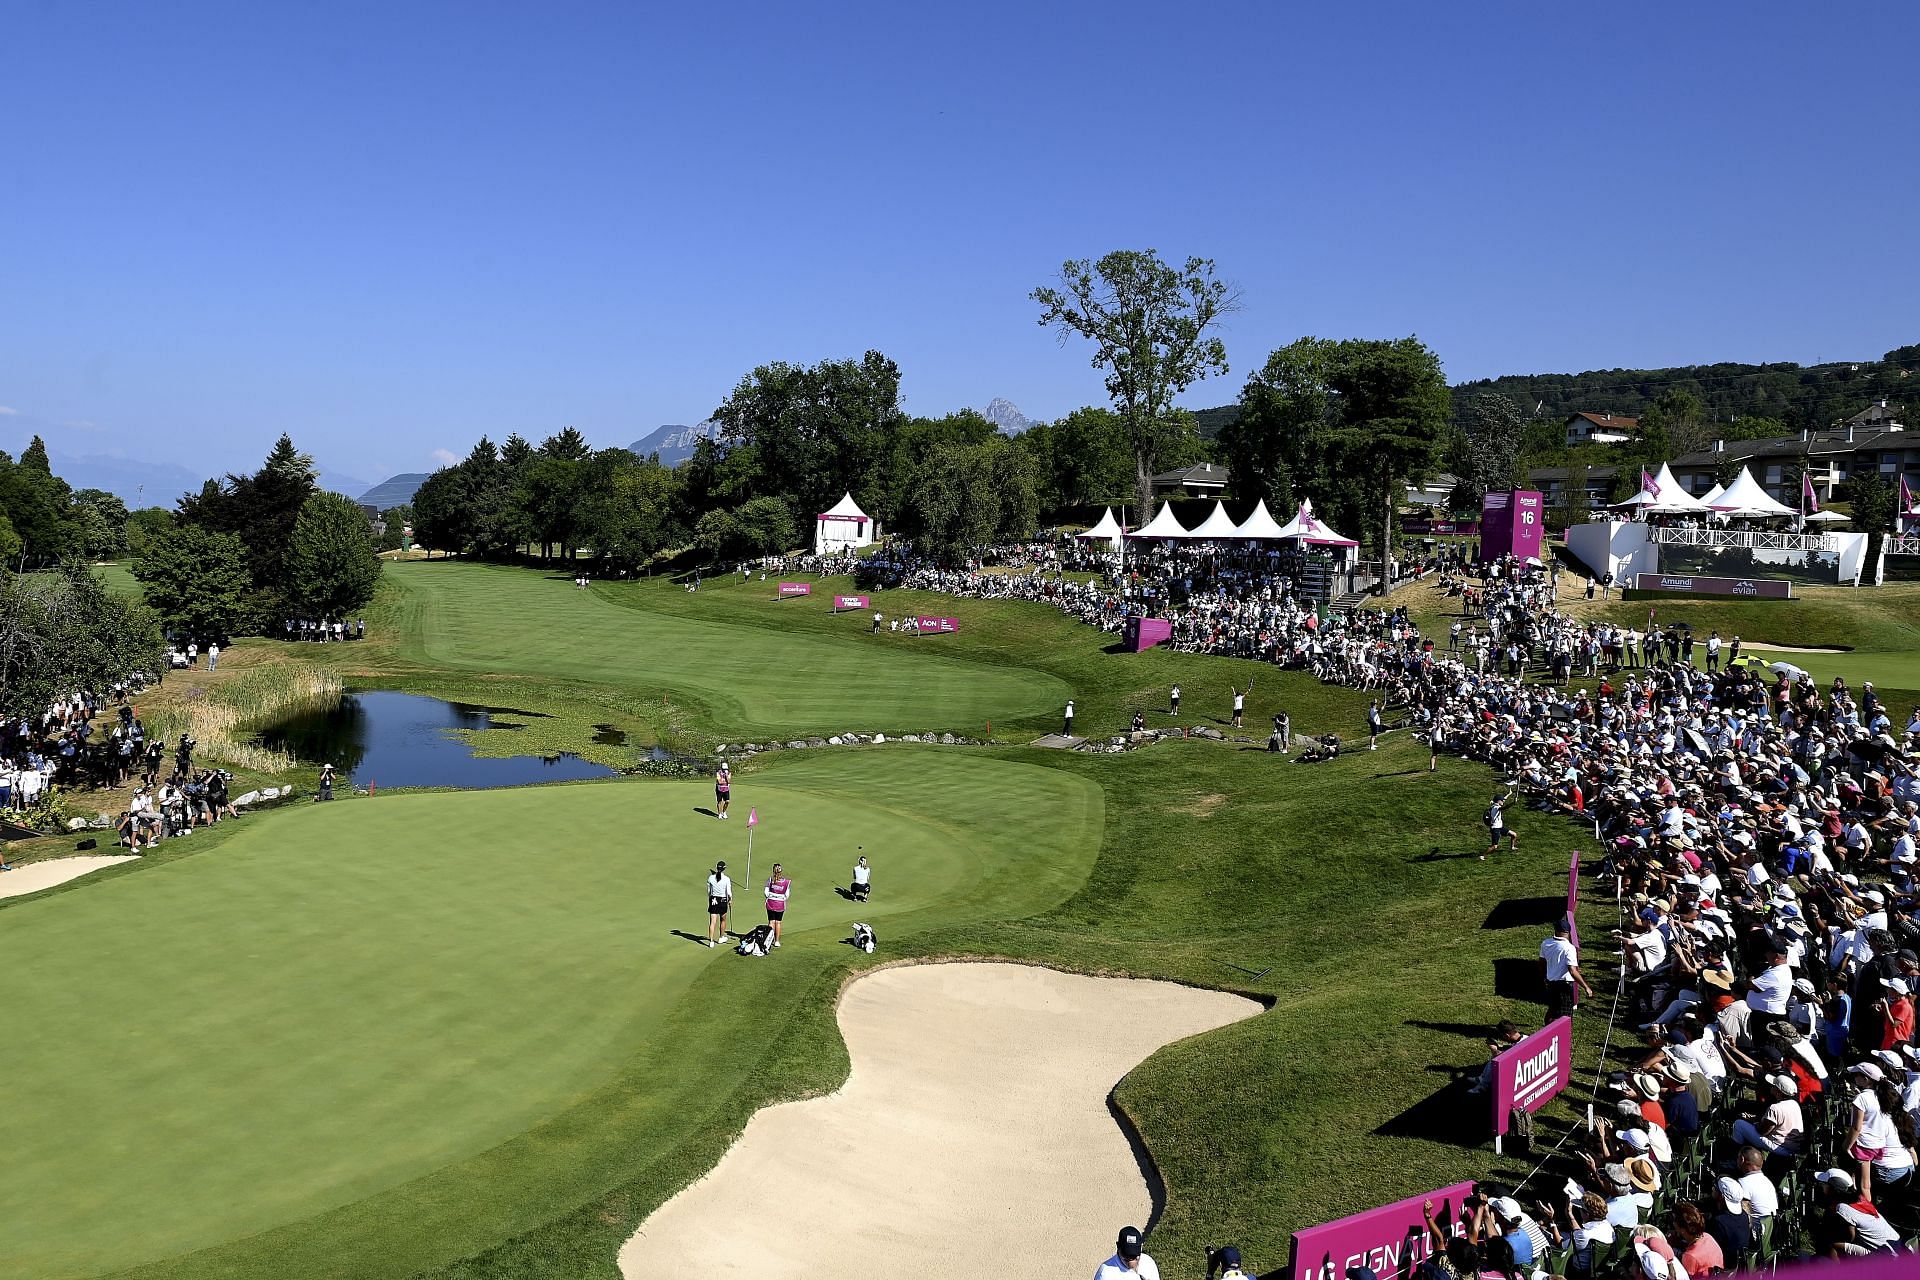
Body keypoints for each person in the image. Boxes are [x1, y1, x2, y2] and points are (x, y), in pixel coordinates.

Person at [1541, 918, 1594, 1020]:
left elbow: (1541, 963)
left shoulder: (1545, 943)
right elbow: (1572, 970)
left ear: (1556, 930)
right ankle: (1563, 1034)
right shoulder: (1569, 948)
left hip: (1551, 983)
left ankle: (1548, 1031)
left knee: (1552, 1009)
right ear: (1568, 932)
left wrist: (1545, 978)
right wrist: (1586, 987)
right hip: (1564, 986)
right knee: (1565, 1015)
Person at [705, 860, 732, 948]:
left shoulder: (710, 878)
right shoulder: (726, 879)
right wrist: (730, 900)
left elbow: (709, 891)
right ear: (724, 869)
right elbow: (728, 892)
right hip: (722, 900)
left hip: (713, 900)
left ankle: (711, 941)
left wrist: (710, 898)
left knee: (712, 921)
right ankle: (721, 937)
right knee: (723, 919)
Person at [763, 862, 791, 948]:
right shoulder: (786, 882)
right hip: (780, 904)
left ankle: (768, 941)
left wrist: (772, 896)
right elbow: (787, 895)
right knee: (778, 922)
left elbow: (766, 892)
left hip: (771, 903)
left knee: (771, 922)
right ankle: (777, 941)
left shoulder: (770, 880)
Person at [1484, 789, 1516, 861]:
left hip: (1500, 827)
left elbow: (1503, 799)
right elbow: (1504, 808)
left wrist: (1509, 794)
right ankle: (1483, 855)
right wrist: (1513, 803)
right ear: (1498, 801)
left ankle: (1512, 847)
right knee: (1494, 846)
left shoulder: (1495, 804)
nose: (1503, 801)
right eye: (1502, 801)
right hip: (1495, 829)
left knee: (1514, 835)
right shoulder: (1496, 807)